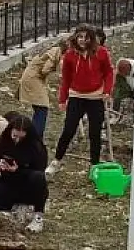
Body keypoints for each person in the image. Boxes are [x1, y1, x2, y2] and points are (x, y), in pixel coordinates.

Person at [46, 24, 114, 176]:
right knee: (68, 129)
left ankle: (94, 165)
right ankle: (56, 161)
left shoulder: (101, 53)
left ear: (91, 38)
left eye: (86, 37)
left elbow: (109, 72)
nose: (83, 40)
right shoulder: (70, 55)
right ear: (76, 38)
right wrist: (62, 99)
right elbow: (66, 79)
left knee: (94, 132)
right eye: (80, 37)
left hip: (96, 96)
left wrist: (107, 91)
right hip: (76, 95)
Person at [0, 113, 49, 233]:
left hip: (28, 185)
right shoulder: (3, 142)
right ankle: (15, 208)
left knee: (39, 177)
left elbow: (39, 170)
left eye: (21, 138)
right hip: (8, 184)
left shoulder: (36, 147)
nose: (17, 140)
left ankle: (37, 217)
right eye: (15, 136)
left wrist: (18, 170)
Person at [18, 38, 68, 136]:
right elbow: (45, 70)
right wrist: (57, 73)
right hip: (33, 79)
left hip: (32, 78)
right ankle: (36, 137)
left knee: (39, 108)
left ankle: (33, 135)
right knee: (42, 107)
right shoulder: (55, 52)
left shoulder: (55, 50)